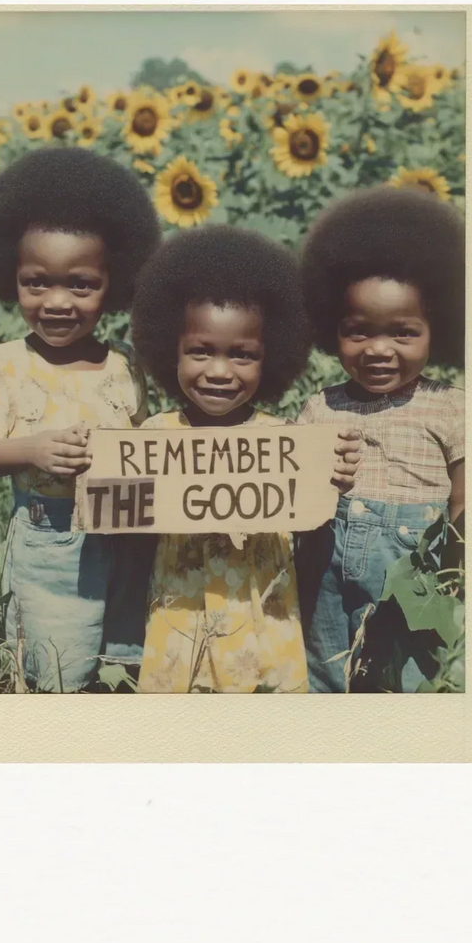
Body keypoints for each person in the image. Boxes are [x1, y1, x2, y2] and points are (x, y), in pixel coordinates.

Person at [0, 148, 160, 692]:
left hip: (127, 533)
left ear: (112, 283)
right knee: (57, 668)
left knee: (124, 660)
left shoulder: (124, 363)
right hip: (50, 542)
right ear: (10, 276)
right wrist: (31, 450)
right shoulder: (0, 365)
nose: (57, 302)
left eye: (81, 284)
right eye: (36, 283)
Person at [127, 226, 359, 693]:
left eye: (242, 356)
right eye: (200, 351)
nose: (218, 372)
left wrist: (334, 473)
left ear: (270, 357)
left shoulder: (286, 439)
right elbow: (123, 515)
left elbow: (310, 512)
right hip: (181, 621)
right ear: (170, 347)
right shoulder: (155, 436)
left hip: (263, 622)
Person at [296, 187, 465, 693]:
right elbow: (290, 491)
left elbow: (465, 495)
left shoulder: (451, 406)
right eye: (358, 331)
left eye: (402, 333)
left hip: (415, 577)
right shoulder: (319, 407)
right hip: (325, 576)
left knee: (408, 680)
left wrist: (457, 569)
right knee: (324, 672)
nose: (378, 349)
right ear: (333, 329)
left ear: (440, 331)